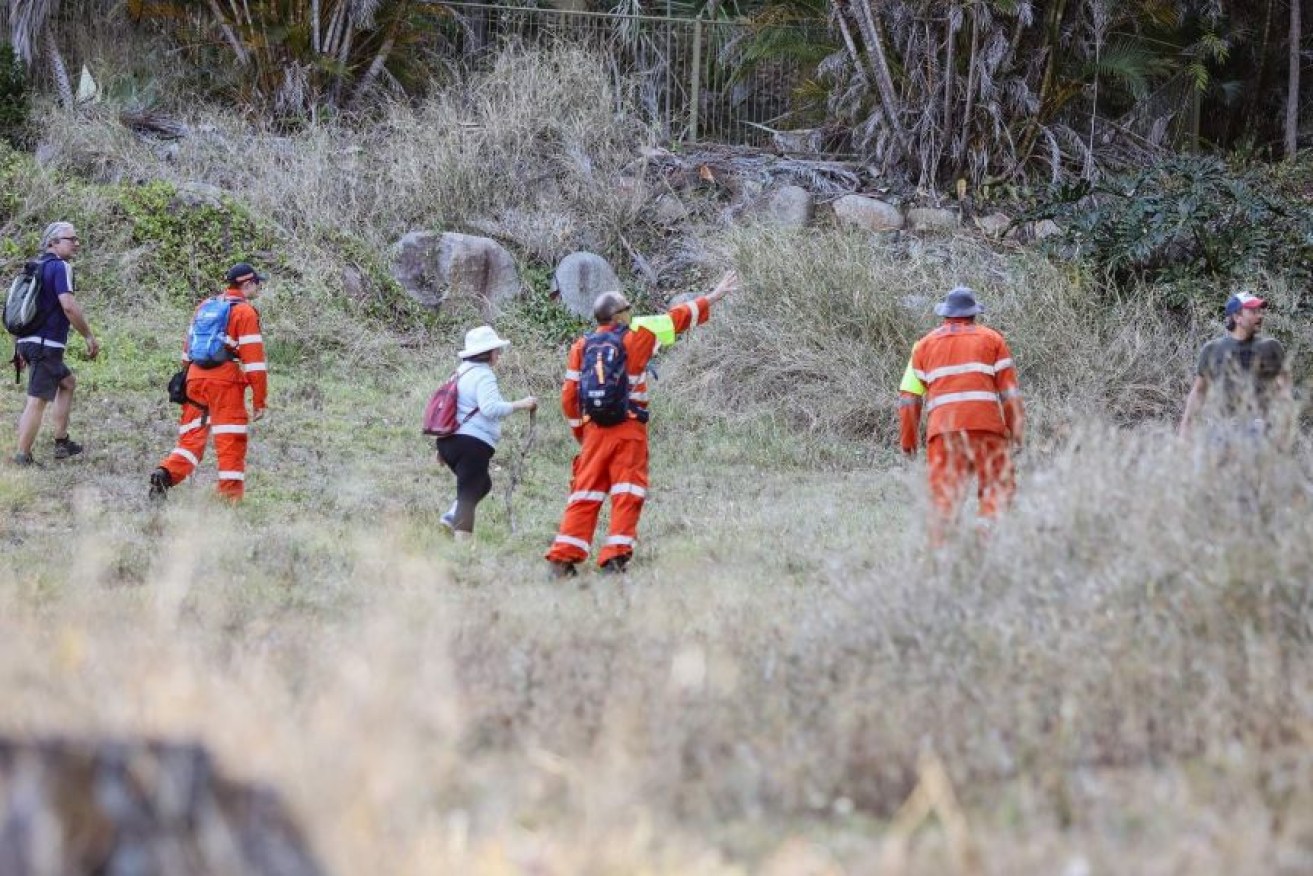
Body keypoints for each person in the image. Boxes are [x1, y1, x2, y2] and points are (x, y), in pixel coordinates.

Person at [545, 270, 739, 577]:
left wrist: (581, 432)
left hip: (593, 431)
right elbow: (676, 317)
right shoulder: (641, 334)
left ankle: (562, 559)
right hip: (629, 429)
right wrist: (714, 296)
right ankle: (614, 558)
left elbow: (569, 396)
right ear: (620, 315)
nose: (631, 313)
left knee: (585, 492)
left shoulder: (581, 347)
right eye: (627, 309)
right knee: (628, 491)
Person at [897, 286, 1024, 543]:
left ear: (945, 315)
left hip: (943, 435)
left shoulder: (922, 347)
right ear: (974, 314)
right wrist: (1017, 434)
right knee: (997, 490)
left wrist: (909, 443)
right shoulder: (994, 340)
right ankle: (985, 542)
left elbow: (909, 399)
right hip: (987, 431)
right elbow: (1010, 395)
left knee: (944, 501)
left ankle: (944, 561)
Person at [148, 263, 269, 502]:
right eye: (257, 283)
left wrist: (187, 377)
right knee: (230, 439)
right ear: (247, 284)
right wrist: (259, 400)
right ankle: (229, 498)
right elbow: (254, 363)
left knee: (192, 437)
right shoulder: (245, 312)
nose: (259, 287)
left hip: (194, 377)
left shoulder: (205, 306)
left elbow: (187, 351)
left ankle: (167, 473)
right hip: (225, 383)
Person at [435, 325, 537, 541]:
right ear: (488, 353)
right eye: (496, 350)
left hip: (449, 442)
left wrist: (443, 445)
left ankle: (452, 516)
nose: (499, 354)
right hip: (470, 444)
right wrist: (521, 404)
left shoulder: (459, 372)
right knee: (468, 493)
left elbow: (448, 407)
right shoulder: (483, 375)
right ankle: (463, 551)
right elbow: (490, 409)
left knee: (482, 484)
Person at [12, 222, 100, 465]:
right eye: (71, 239)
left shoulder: (36, 267)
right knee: (37, 399)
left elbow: (22, 307)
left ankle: (61, 442)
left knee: (67, 382)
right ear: (53, 242)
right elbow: (69, 307)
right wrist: (89, 336)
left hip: (29, 342)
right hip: (46, 344)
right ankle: (22, 456)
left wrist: (20, 344)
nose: (77, 243)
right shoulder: (60, 267)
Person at [1178, 292, 1290, 445]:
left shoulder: (1271, 347)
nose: (1260, 316)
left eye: (1260, 311)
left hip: (1259, 429)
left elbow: (1284, 390)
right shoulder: (1212, 349)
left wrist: (1284, 428)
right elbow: (1199, 391)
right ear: (1237, 317)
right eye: (1253, 311)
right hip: (1220, 430)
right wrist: (1186, 427)